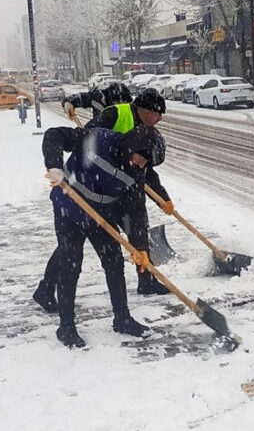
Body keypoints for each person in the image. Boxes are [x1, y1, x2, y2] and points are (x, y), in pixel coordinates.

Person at [41, 124, 167, 348]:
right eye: (141, 158)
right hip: (69, 208)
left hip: (100, 216)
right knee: (71, 263)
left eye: (146, 163)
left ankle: (122, 318)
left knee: (114, 262)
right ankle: (66, 326)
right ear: (131, 146)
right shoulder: (96, 138)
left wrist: (140, 249)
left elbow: (135, 212)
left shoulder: (135, 174)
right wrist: (54, 165)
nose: (141, 165)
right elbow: (54, 135)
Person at [42, 87, 171, 297]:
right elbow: (88, 140)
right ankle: (46, 288)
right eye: (158, 114)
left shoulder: (147, 134)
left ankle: (146, 280)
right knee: (71, 245)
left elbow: (144, 171)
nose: (160, 119)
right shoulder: (116, 114)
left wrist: (163, 199)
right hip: (94, 187)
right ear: (145, 110)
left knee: (138, 229)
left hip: (120, 189)